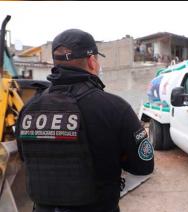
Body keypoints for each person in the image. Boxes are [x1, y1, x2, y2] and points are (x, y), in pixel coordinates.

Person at [16, 29, 154, 212]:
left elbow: (25, 158)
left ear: (55, 63)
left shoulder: (28, 110)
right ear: (91, 61)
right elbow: (144, 165)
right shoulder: (115, 108)